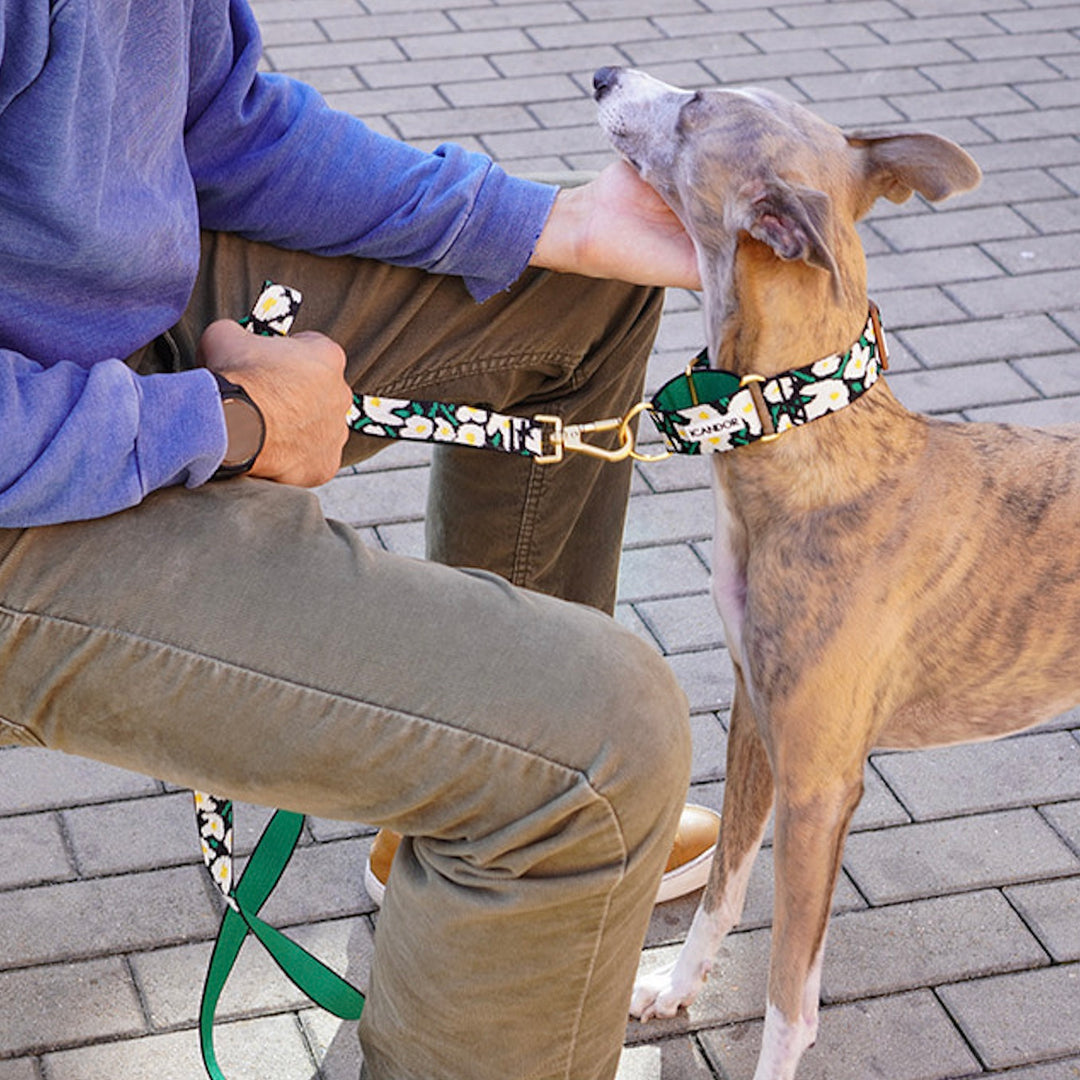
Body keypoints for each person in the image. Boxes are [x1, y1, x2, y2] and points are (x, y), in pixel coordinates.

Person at [0, 2, 715, 1077]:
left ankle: (461, 823)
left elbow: (219, 119)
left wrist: (544, 222)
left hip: (92, 353)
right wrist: (227, 421)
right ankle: (534, 806)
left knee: (585, 292)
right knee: (599, 746)